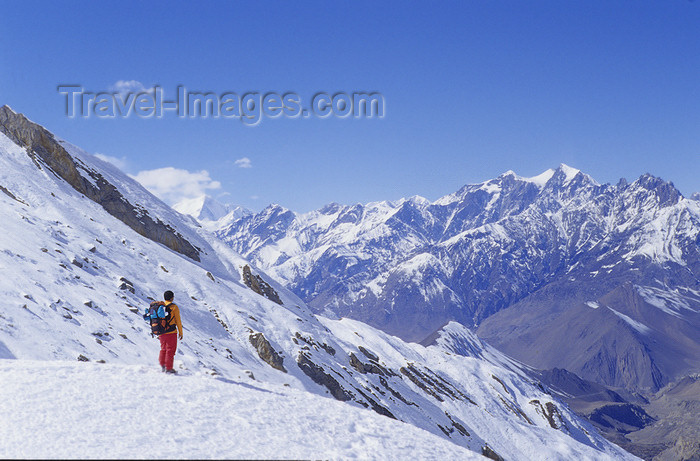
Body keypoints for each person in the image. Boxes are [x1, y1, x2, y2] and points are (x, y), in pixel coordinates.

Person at [159, 290, 183, 374]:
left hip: (161, 332)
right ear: (172, 298)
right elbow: (178, 321)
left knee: (163, 349)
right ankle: (169, 368)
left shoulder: (160, 306)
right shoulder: (174, 307)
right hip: (171, 332)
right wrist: (180, 332)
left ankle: (163, 365)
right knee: (171, 350)